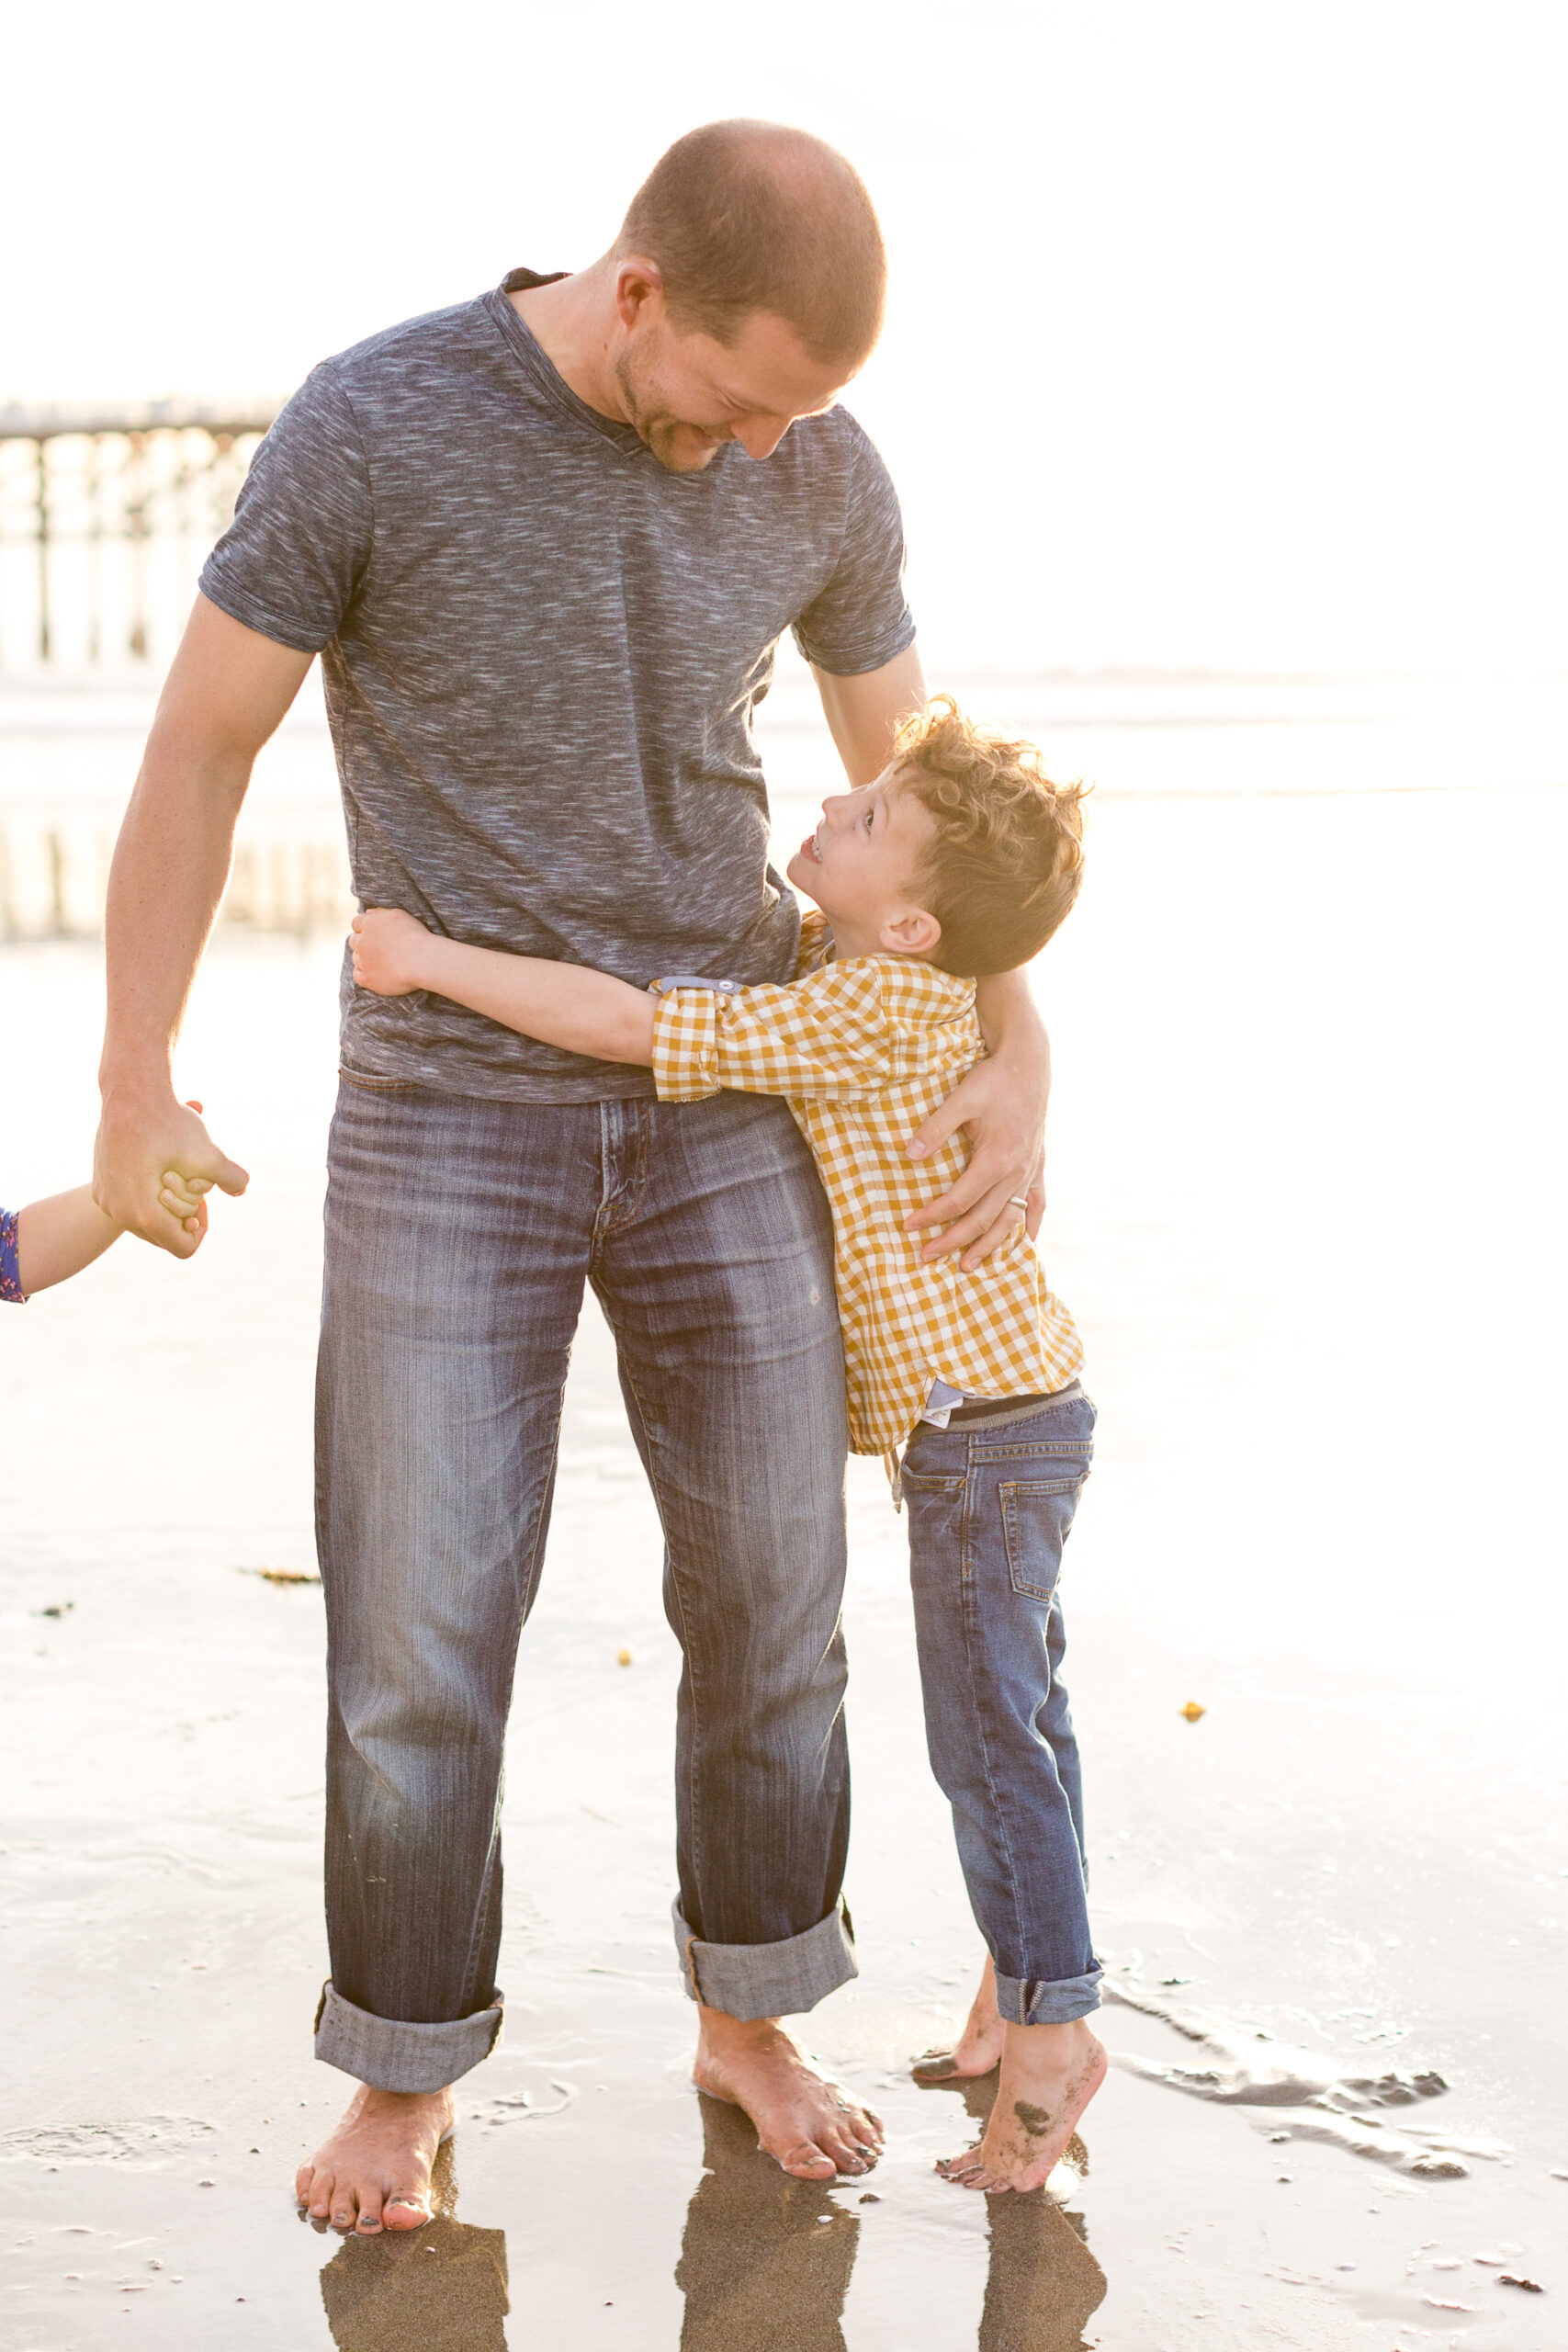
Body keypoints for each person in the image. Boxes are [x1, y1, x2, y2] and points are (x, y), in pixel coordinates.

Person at [95, 121, 1054, 2233]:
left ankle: (749, 2004)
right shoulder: (376, 421)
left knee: (770, 1595)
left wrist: (1020, 1049)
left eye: (800, 417)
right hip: (447, 1099)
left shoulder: (817, 461)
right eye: (739, 399)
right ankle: (402, 2066)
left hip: (738, 1092)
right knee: (423, 1618)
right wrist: (130, 1077)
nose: (760, 452)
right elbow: (197, 747)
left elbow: (933, 803)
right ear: (637, 294)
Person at [348, 697, 1106, 2194]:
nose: (837, 799)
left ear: (909, 924)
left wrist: (424, 960)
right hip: (1014, 1417)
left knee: (988, 1740)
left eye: (873, 818)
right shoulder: (877, 966)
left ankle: (1054, 2037)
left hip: (980, 1440)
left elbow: (641, 1024)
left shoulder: (855, 1007)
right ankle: (1017, 1988)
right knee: (1025, 1720)